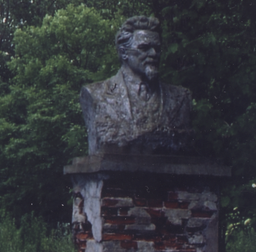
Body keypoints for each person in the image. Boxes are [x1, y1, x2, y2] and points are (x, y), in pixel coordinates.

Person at [80, 16, 193, 154]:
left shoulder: (180, 98)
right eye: (144, 48)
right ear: (124, 53)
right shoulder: (97, 94)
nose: (154, 54)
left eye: (157, 48)